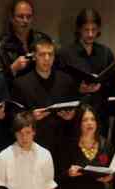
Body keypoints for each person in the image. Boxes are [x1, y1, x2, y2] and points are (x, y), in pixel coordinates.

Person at [10, 36, 78, 167]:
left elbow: (75, 108)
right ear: (34, 56)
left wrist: (71, 115)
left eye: (50, 54)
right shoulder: (21, 83)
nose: (47, 58)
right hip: (33, 144)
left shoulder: (66, 80)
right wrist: (30, 117)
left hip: (61, 144)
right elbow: (14, 116)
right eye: (42, 54)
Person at [59, 8, 115, 123]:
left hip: (100, 113)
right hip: (75, 115)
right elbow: (58, 85)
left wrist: (101, 85)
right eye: (86, 30)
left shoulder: (105, 52)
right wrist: (78, 88)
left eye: (94, 30)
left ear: (98, 29)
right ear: (79, 29)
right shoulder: (65, 53)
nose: (90, 34)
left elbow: (112, 84)